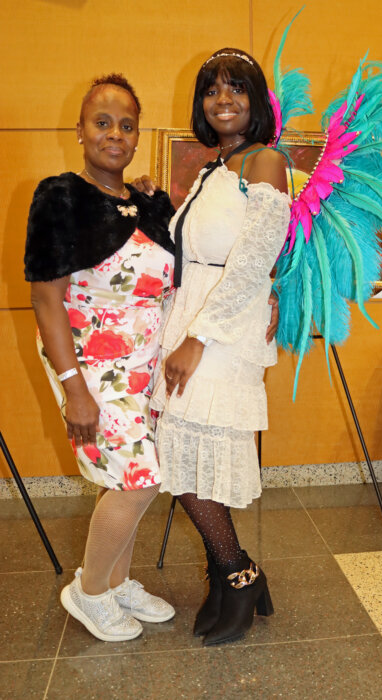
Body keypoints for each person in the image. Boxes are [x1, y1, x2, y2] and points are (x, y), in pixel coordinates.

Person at [24, 75, 177, 642]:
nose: (115, 133)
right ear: (81, 130)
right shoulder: (60, 196)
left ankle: (115, 581)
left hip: (148, 368)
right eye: (102, 122)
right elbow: (46, 297)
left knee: (135, 479)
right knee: (137, 480)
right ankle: (88, 593)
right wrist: (74, 388)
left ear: (138, 135)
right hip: (95, 369)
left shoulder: (147, 202)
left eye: (127, 125)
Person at [148, 48, 291, 646]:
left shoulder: (265, 160)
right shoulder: (214, 167)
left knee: (195, 450)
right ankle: (230, 571)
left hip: (220, 330)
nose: (223, 100)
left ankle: (236, 573)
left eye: (237, 88)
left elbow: (255, 259)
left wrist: (198, 339)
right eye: (212, 90)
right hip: (191, 317)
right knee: (179, 453)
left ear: (258, 101)